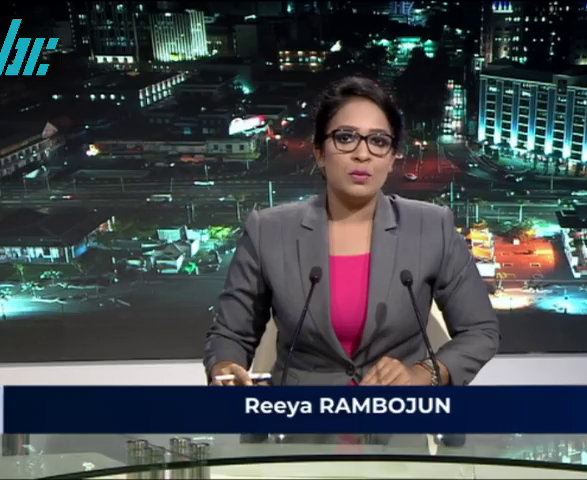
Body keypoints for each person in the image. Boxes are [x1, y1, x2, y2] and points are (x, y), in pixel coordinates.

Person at [204, 75, 499, 393]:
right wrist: (226, 368)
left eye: (379, 141)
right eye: (345, 138)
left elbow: (480, 331)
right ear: (319, 151)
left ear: (391, 158)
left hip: (396, 414)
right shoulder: (268, 230)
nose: (362, 154)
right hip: (300, 415)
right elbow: (229, 335)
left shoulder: (431, 226)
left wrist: (425, 373)